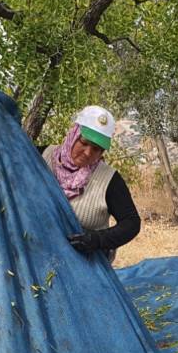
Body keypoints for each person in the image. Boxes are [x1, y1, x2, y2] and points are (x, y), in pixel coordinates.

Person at [40, 106, 140, 263]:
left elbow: (131, 223)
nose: (88, 152)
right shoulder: (41, 157)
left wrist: (97, 240)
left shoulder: (109, 180)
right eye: (84, 143)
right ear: (73, 134)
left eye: (96, 149)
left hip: (84, 262)